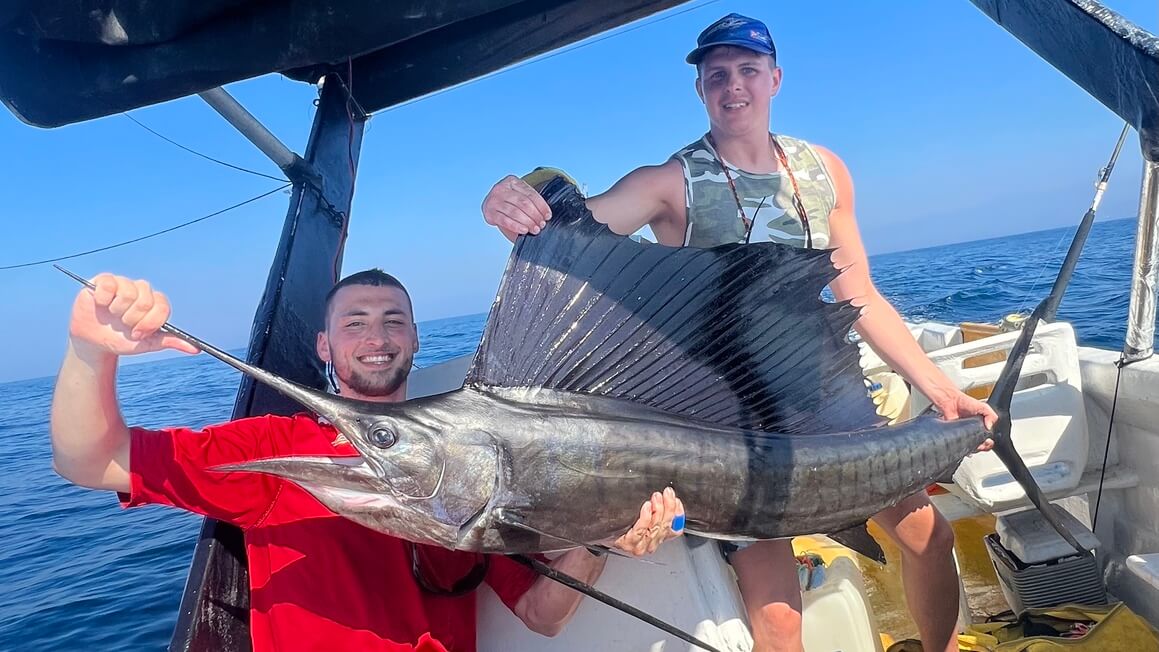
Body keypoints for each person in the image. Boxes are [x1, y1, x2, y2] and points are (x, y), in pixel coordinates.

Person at [480, 13, 997, 652]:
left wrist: (942, 393)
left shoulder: (825, 170)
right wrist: (517, 197)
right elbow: (569, 228)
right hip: (729, 431)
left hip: (820, 407)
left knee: (931, 537)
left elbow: (859, 295)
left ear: (775, 79)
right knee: (779, 623)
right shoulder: (670, 184)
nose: (734, 86)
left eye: (748, 70)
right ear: (700, 90)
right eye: (717, 74)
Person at [50, 268, 685, 652]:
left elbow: (542, 616)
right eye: (354, 323)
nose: (376, 338)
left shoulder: (475, 461)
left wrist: (601, 538)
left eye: (392, 321)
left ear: (414, 339)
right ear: (324, 345)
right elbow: (93, 460)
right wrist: (89, 351)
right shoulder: (275, 449)